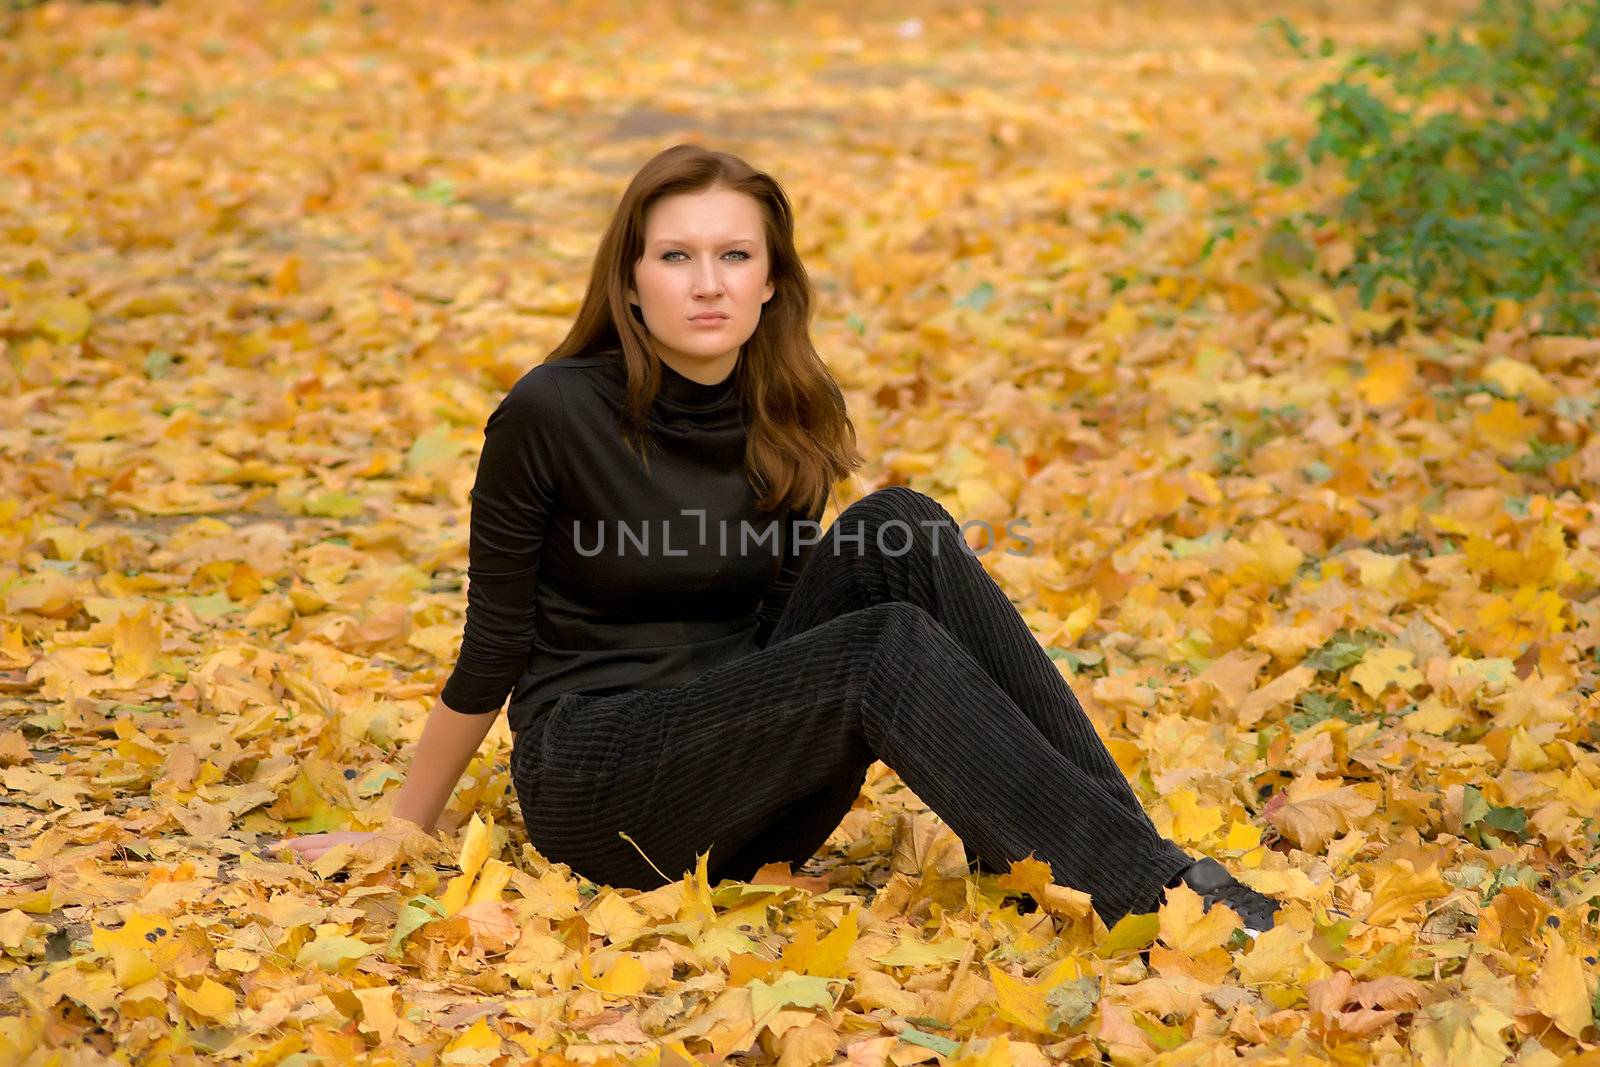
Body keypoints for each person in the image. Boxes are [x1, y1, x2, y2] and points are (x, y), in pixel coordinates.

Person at [272, 143, 1282, 935]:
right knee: (877, 645)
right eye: (675, 255)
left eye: (732, 255)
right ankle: (1147, 892)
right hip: (603, 781)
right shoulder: (550, 412)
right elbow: (492, 645)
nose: (705, 282)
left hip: (756, 776)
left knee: (905, 526)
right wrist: (406, 825)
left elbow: (793, 617)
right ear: (629, 281)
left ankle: (1114, 856)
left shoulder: (789, 406)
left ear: (767, 282)